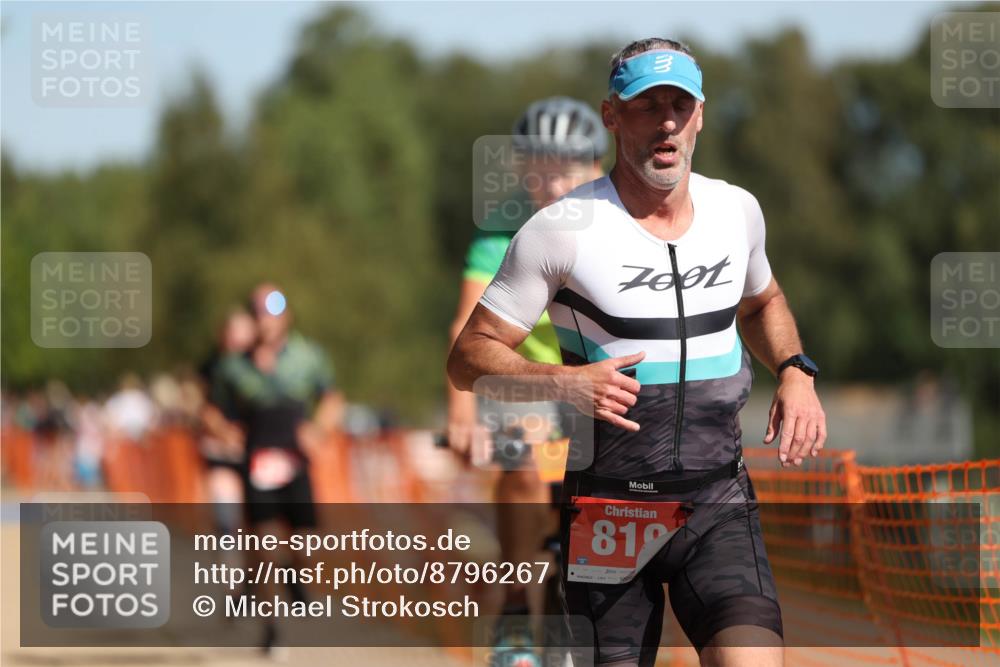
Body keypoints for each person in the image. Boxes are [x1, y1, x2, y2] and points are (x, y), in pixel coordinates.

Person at [449, 38, 827, 667]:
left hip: (719, 504)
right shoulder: (558, 230)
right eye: (648, 106)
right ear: (612, 116)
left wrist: (794, 370)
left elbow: (763, 304)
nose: (667, 121)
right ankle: (518, 606)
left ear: (701, 114)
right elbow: (468, 357)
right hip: (609, 512)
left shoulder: (737, 212)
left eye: (680, 104)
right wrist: (561, 384)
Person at [447, 97, 606, 664]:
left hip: (597, 390)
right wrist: (461, 415)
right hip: (524, 389)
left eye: (563, 167)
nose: (549, 180)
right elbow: (465, 333)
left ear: (595, 167)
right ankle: (515, 605)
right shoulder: (497, 240)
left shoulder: (614, 233)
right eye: (537, 167)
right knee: (518, 455)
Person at [210, 283, 344, 654]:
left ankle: (297, 577)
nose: (265, 321)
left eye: (272, 312)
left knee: (304, 546)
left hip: (295, 460)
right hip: (256, 461)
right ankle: (272, 629)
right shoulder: (232, 365)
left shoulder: (308, 356)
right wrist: (224, 430)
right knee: (264, 546)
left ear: (286, 316)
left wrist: (318, 431)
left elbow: (332, 398)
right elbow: (211, 409)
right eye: (258, 313)